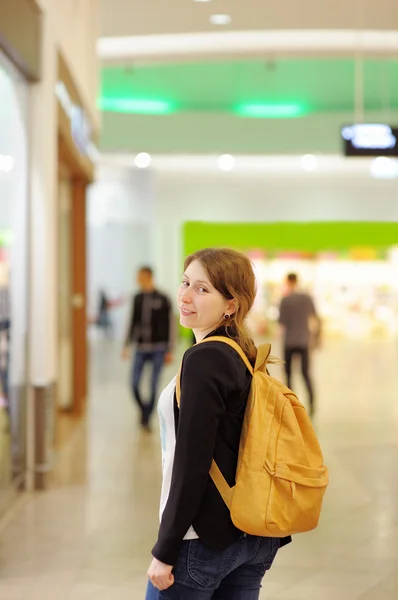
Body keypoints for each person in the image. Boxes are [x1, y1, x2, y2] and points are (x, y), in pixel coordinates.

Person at [146, 248, 288, 600]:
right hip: (252, 534)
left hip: (202, 540)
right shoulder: (243, 351)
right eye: (185, 283)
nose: (186, 296)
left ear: (231, 305)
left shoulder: (204, 358)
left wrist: (166, 549)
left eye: (203, 289)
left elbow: (192, 462)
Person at [122, 267, 174, 430]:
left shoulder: (163, 298)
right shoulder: (137, 298)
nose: (137, 279)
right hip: (140, 347)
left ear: (148, 276)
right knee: (134, 383)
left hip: (158, 348)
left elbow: (171, 325)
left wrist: (169, 350)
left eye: (140, 276)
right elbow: (132, 322)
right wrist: (126, 345)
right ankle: (145, 410)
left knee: (153, 385)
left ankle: (146, 417)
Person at [278, 272, 321, 417]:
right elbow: (316, 318)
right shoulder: (307, 298)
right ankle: (312, 405)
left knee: (288, 375)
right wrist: (317, 338)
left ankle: (291, 405)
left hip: (289, 341)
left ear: (288, 282)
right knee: (306, 374)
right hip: (304, 341)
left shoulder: (285, 300)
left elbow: (281, 322)